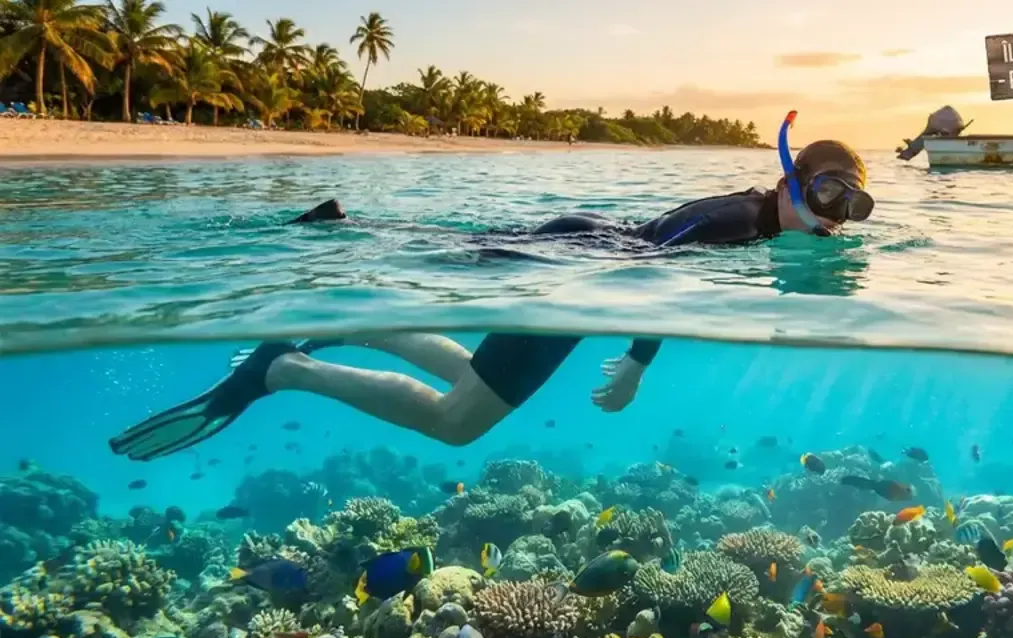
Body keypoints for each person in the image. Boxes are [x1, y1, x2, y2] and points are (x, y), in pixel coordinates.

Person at [109, 113, 874, 461]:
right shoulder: (739, 218)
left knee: (456, 273)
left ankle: (354, 286)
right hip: (574, 271)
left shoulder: (763, 224)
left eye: (854, 204)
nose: (839, 215)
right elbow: (655, 265)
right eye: (831, 191)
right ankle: (288, 367)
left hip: (577, 262)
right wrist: (640, 361)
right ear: (791, 180)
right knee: (456, 423)